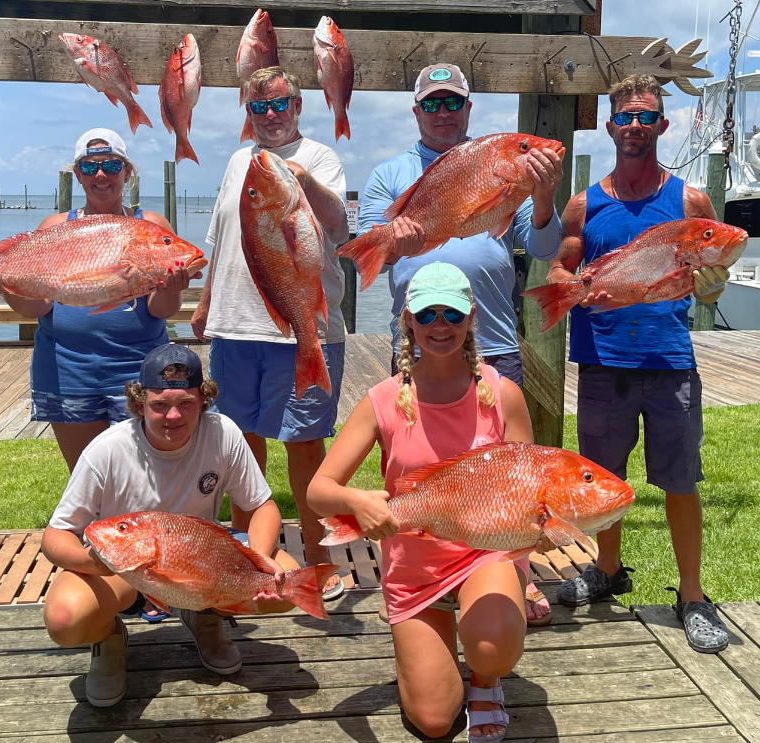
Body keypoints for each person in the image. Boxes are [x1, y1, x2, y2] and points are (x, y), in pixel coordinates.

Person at [357, 62, 564, 626]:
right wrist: (392, 241)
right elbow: (377, 240)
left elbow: (543, 245)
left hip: (492, 346)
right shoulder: (391, 173)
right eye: (433, 104)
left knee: (506, 479)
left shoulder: (505, 163)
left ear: (469, 111)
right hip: (420, 351)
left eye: (453, 103)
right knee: (423, 470)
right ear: (417, 111)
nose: (443, 113)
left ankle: (514, 573)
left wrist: (543, 196)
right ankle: (425, 569)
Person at [308, 263, 533, 742]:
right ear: (407, 318)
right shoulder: (385, 400)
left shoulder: (502, 395)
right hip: (414, 562)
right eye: (426, 315)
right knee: (433, 722)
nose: (440, 326)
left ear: (471, 317)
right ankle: (429, 650)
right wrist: (357, 501)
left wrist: (536, 541)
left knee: (492, 647)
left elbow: (530, 485)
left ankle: (485, 679)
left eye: (451, 314)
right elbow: (318, 490)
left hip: (484, 552)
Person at [546, 75, 730, 653]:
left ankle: (693, 595)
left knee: (680, 480)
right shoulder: (585, 203)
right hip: (604, 360)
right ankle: (606, 569)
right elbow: (562, 268)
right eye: (625, 117)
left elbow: (706, 288)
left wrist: (712, 285)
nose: (634, 127)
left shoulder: (690, 203)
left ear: (661, 126)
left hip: (671, 360)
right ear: (609, 126)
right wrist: (566, 286)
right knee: (603, 480)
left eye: (645, 117)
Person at [41, 344, 301, 707]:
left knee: (288, 583)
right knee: (65, 617)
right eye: (159, 405)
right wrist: (93, 563)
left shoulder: (222, 432)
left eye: (186, 403)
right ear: (139, 403)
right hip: (125, 566)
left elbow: (263, 506)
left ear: (203, 400)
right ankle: (108, 639)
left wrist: (259, 560)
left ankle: (206, 619)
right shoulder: (107, 450)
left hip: (203, 561)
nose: (173, 416)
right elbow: (54, 535)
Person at [191, 67, 350, 602]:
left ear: (299, 105)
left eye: (280, 104)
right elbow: (223, 241)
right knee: (241, 449)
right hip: (234, 328)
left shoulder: (321, 158)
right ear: (248, 113)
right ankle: (252, 559)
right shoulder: (240, 161)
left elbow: (336, 224)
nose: (272, 115)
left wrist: (302, 181)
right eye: (260, 108)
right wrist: (206, 302)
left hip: (304, 328)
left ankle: (320, 561)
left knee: (305, 447)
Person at [0, 128, 196, 475]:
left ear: (127, 171)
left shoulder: (151, 226)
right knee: (87, 475)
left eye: (111, 165)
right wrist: (4, 286)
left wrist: (171, 286)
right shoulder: (55, 227)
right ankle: (91, 530)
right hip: (67, 370)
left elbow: (161, 311)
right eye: (90, 167)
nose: (101, 174)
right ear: (77, 175)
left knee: (146, 474)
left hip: (138, 368)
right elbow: (38, 308)